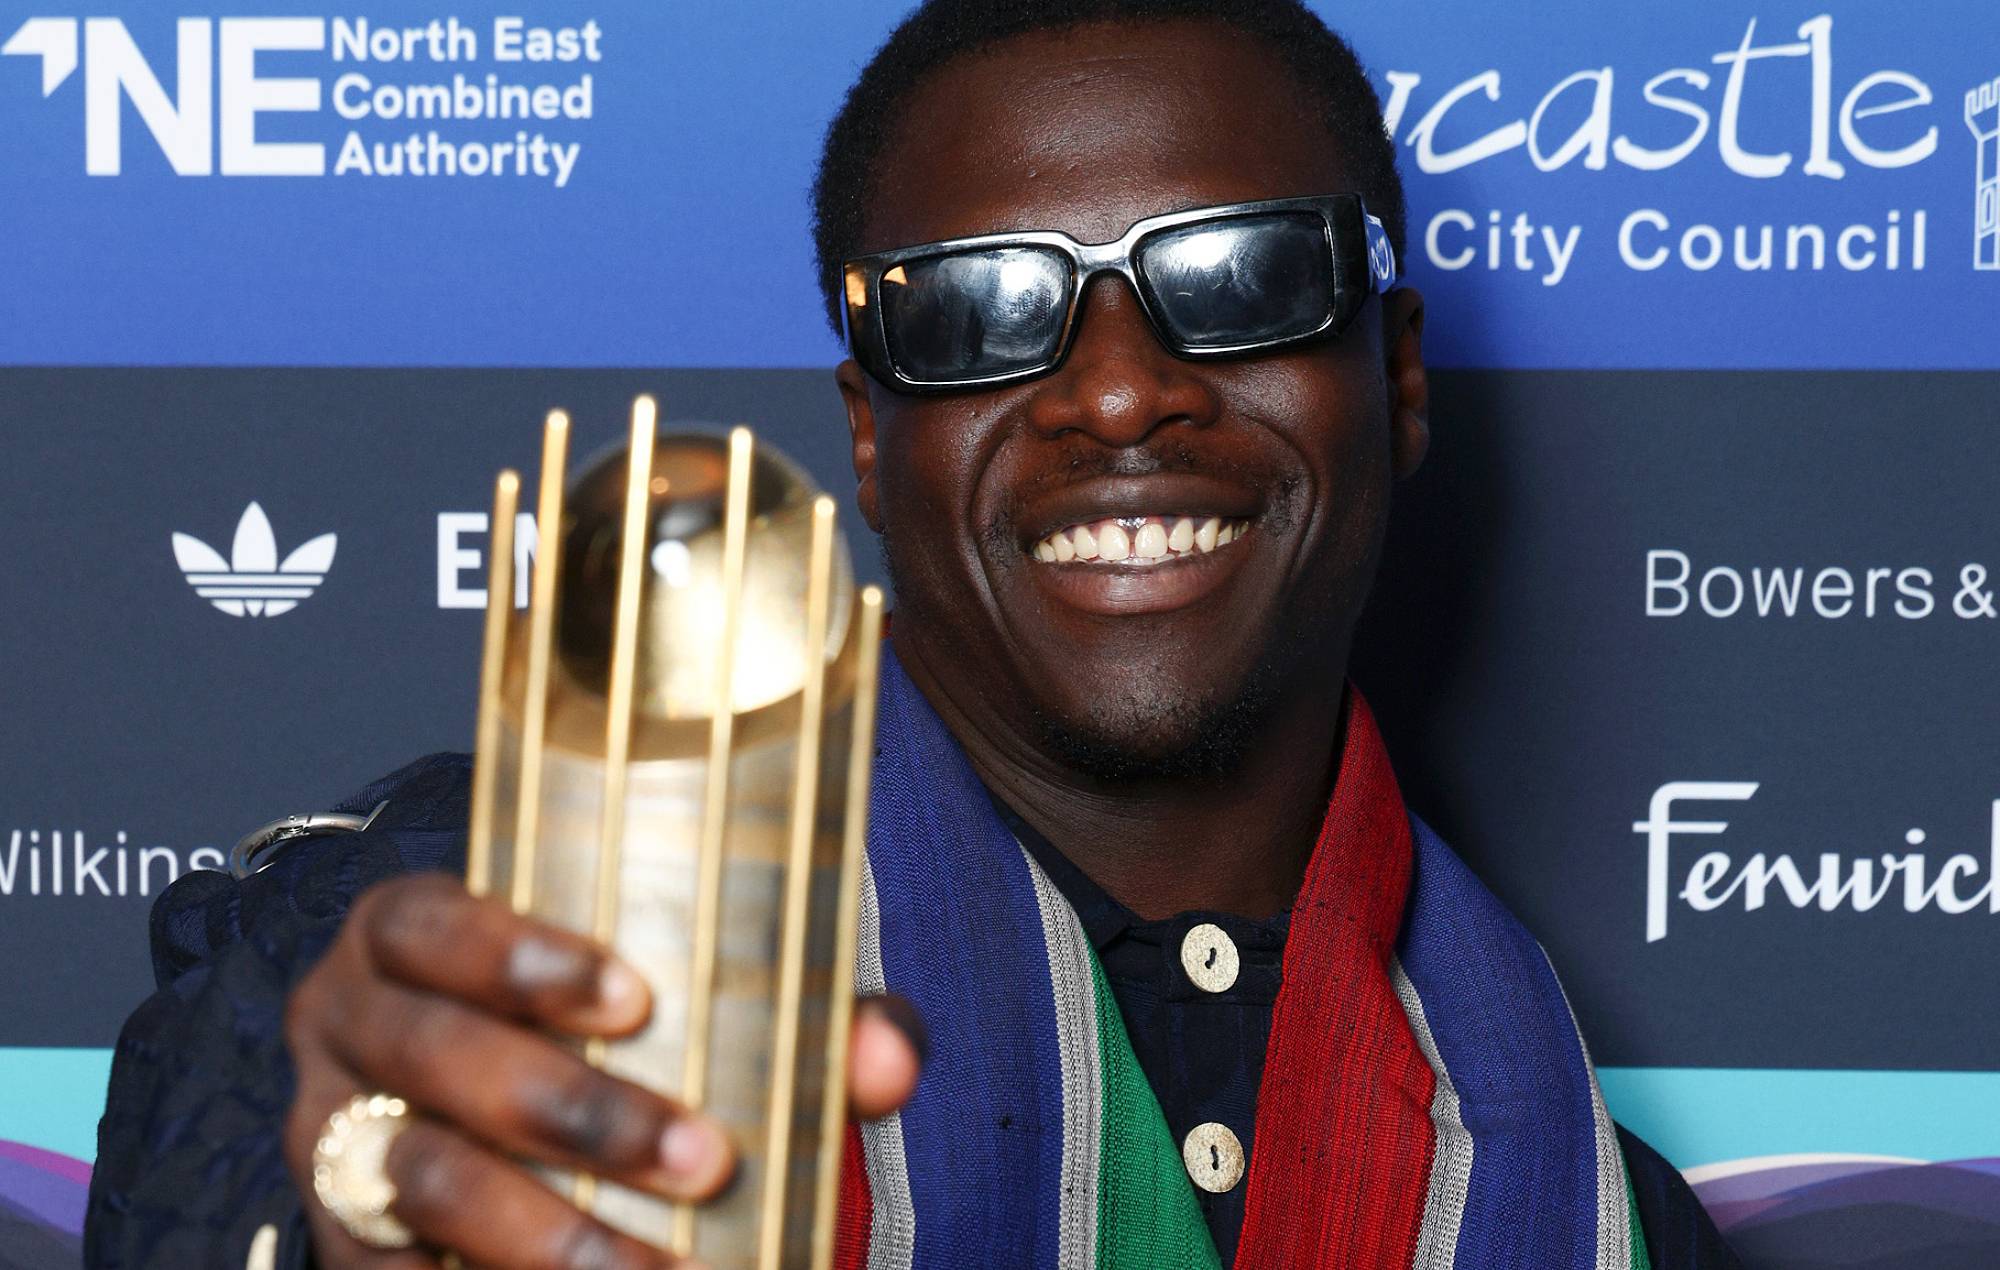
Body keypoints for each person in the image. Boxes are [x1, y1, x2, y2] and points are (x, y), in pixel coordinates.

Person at [85, 1, 1741, 1266]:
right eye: (976, 309)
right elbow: (260, 1114)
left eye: (1239, 277)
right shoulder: (519, 925)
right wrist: (341, 1191)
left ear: (1394, 379)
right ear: (872, 438)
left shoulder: (1588, 1205)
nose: (1115, 390)